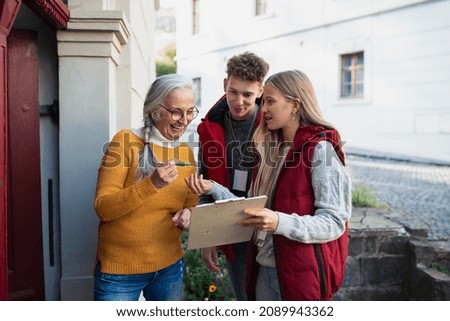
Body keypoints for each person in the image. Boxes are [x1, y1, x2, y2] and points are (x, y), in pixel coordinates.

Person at [186, 69, 352, 300]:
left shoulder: (321, 150)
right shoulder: (270, 149)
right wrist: (214, 188)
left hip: (301, 276)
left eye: (270, 101)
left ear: (295, 105)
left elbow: (334, 222)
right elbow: (252, 209)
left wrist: (278, 221)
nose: (262, 109)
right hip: (264, 269)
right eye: (263, 102)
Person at [93, 74, 199, 301]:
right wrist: (151, 185)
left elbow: (191, 201)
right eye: (176, 111)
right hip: (119, 272)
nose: (184, 119)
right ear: (155, 111)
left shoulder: (185, 152)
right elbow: (103, 208)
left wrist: (188, 213)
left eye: (190, 111)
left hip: (169, 267)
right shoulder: (125, 141)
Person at [196, 51, 269, 300]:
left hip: (270, 230)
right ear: (225, 85)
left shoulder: (273, 124)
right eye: (233, 92)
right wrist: (209, 237)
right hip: (232, 229)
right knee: (244, 300)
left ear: (260, 90)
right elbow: (204, 185)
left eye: (247, 94)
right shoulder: (209, 127)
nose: (239, 101)